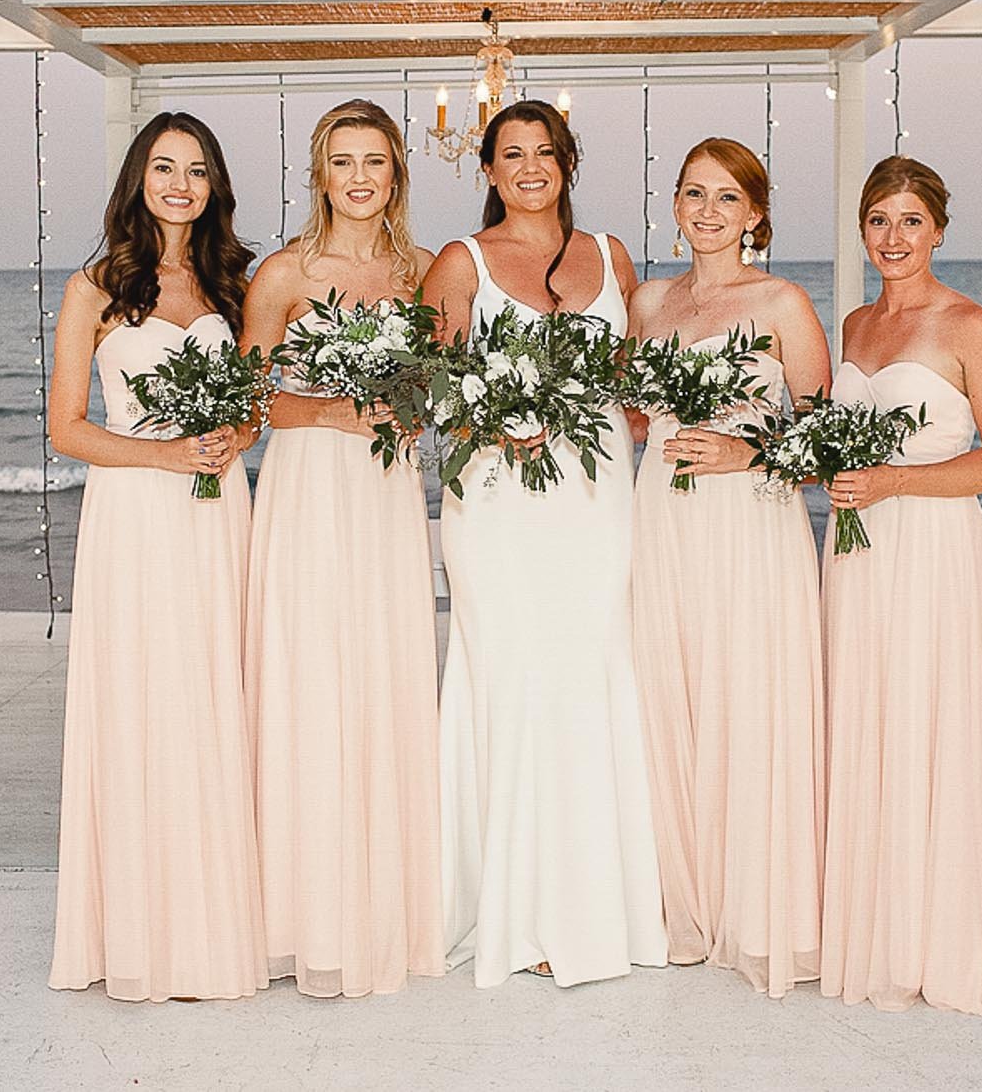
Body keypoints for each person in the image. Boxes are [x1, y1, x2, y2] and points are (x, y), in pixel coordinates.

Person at [421, 98, 668, 988]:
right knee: (514, 674)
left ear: (568, 160)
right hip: (496, 499)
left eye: (545, 151)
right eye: (510, 154)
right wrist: (488, 422)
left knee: (590, 669)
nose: (530, 167)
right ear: (487, 170)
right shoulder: (461, 261)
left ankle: (594, 904)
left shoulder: (611, 256)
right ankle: (513, 912)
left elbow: (634, 382)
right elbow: (432, 383)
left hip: (595, 496)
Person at [45, 111, 266, 1003]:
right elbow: (66, 428)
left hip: (218, 513)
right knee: (143, 700)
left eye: (199, 170)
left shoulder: (232, 285)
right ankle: (139, 926)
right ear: (139, 176)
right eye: (166, 167)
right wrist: (166, 454)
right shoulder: (94, 287)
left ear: (215, 186)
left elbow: (250, 408)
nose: (182, 184)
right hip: (136, 513)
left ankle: (217, 916)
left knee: (215, 694)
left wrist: (230, 437)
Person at [240, 99, 444, 997]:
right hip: (309, 488)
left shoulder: (427, 272)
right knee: (311, 676)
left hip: (386, 492)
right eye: (342, 161)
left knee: (383, 672)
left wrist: (411, 408)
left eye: (376, 162)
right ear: (319, 173)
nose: (359, 178)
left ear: (398, 173)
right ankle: (301, 911)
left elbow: (442, 391)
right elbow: (242, 405)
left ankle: (383, 903)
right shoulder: (282, 274)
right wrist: (330, 409)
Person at [817, 154, 982, 1016]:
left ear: (937, 228)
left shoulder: (972, 324)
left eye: (909, 220)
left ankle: (930, 940)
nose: (893, 237)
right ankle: (873, 923)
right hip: (857, 547)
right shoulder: (856, 326)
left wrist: (896, 480)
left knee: (927, 722)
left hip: (932, 545)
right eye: (878, 220)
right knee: (864, 719)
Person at [625, 138, 831, 998]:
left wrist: (748, 452)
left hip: (750, 525)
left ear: (755, 212)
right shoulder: (648, 300)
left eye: (726, 197)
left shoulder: (781, 300)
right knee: (665, 693)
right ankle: (682, 900)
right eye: (692, 194)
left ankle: (758, 906)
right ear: (674, 204)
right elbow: (637, 418)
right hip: (662, 519)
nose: (707, 211)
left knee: (749, 692)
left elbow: (822, 435)